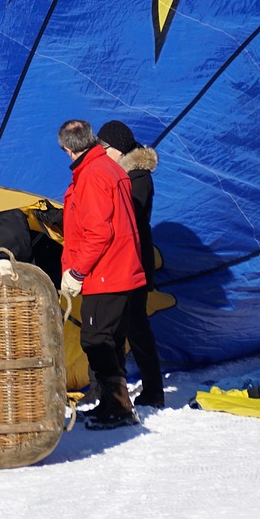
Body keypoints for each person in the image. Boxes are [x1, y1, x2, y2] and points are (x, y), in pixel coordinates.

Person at [57, 119, 146, 428]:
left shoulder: (92, 175)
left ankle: (120, 407)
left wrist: (76, 272)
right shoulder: (108, 169)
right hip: (120, 269)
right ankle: (111, 402)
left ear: (67, 149)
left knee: (96, 340)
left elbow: (98, 233)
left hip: (106, 272)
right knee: (108, 339)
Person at [97, 120, 165, 408]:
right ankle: (120, 388)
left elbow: (129, 220)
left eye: (104, 148)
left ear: (117, 148)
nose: (100, 152)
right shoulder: (122, 174)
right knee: (124, 327)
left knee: (135, 327)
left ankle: (152, 390)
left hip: (133, 261)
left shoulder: (137, 179)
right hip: (124, 261)